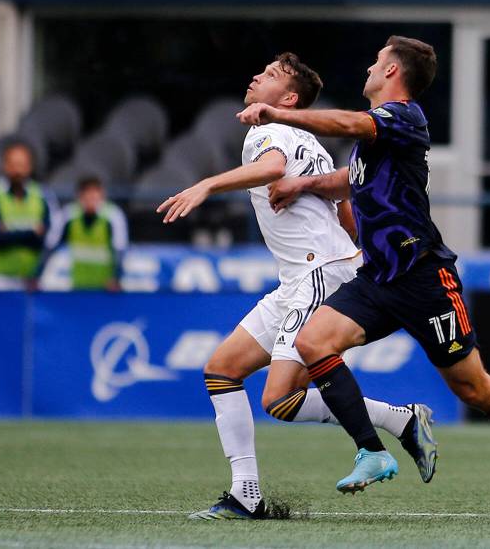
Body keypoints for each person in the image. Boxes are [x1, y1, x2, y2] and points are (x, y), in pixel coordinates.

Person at [241, 36, 490, 517]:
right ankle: (372, 450)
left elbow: (347, 122)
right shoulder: (375, 138)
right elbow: (353, 178)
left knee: (476, 389)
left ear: (392, 74)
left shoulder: (403, 117)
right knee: (314, 343)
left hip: (424, 277)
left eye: (377, 61)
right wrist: (306, 184)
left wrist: (278, 115)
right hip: (379, 277)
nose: (369, 65)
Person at [159, 53, 437, 521]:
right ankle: (246, 493)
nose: (255, 75)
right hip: (304, 277)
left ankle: (397, 421)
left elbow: (270, 170)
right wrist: (359, 250)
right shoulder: (308, 140)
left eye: (268, 75)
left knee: (281, 399)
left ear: (288, 99)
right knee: (222, 369)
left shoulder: (266, 133)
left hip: (317, 274)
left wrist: (206, 185)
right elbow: (341, 205)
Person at [0, 141, 59, 290]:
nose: (17, 170)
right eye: (13, 164)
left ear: (30, 166)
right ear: (5, 165)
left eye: (22, 164)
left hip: (34, 279)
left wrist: (9, 231)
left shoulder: (44, 195)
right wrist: (32, 233)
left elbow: (50, 237)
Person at [52, 176, 128, 291]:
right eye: (87, 194)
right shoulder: (68, 215)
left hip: (105, 289)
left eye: (95, 194)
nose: (91, 198)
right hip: (77, 286)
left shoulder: (113, 216)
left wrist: (116, 278)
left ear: (102, 195)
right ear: (79, 196)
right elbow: (50, 245)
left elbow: (120, 250)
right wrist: (36, 276)